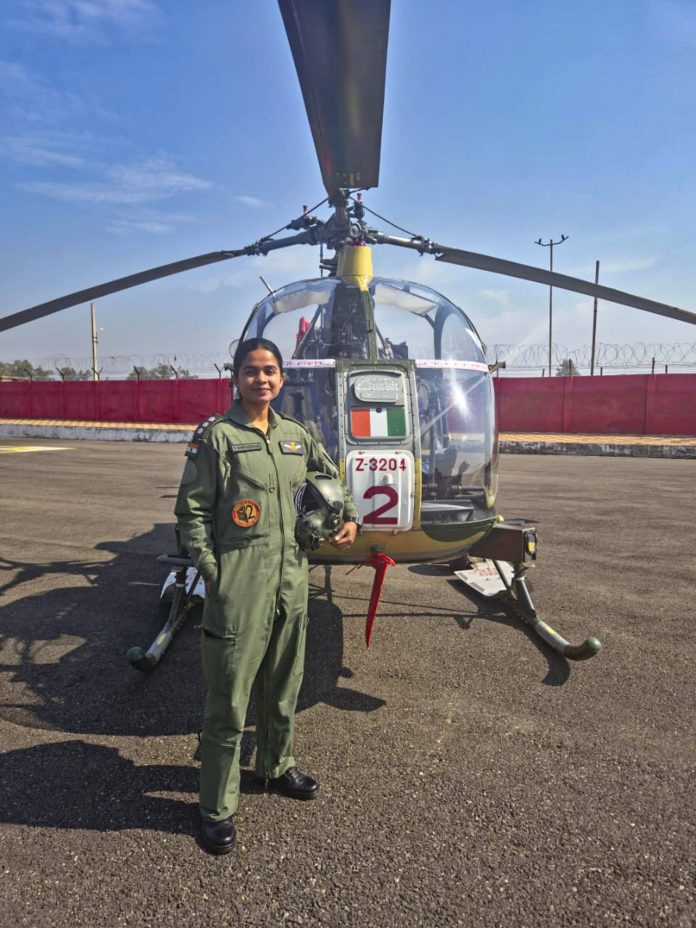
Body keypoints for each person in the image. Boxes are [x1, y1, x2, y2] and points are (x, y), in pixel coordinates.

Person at [175, 337, 360, 855]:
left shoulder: (297, 437)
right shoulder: (217, 438)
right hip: (240, 578)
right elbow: (190, 512)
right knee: (229, 696)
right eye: (252, 370)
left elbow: (330, 480)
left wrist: (347, 520)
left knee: (285, 682)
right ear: (235, 376)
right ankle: (215, 807)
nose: (262, 379)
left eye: (271, 370)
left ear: (282, 378)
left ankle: (276, 767)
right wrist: (213, 572)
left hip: (291, 577)